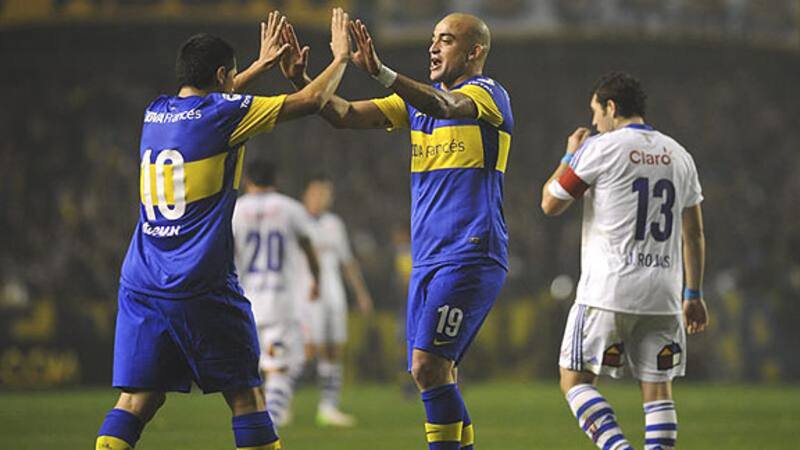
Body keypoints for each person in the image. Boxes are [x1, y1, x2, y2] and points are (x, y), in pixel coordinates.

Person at [94, 9, 353, 450]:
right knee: (248, 396)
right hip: (201, 283)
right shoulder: (224, 116)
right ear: (220, 74)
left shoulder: (154, 113)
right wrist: (342, 58)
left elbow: (214, 105)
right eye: (231, 76)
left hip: (141, 281)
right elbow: (311, 100)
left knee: (137, 399)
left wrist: (254, 67)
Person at [279, 12, 512, 450]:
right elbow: (343, 114)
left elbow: (445, 106)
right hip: (427, 259)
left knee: (427, 367)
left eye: (446, 40)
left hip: (470, 252)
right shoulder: (412, 107)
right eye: (432, 38)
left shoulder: (488, 95)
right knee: (435, 375)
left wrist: (382, 72)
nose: (433, 47)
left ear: (475, 51)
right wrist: (303, 80)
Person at [540, 72, 710, 450]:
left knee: (575, 381)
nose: (595, 122)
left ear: (611, 107)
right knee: (658, 390)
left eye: (596, 112)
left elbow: (551, 203)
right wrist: (693, 293)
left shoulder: (600, 148)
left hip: (607, 290)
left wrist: (570, 154)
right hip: (665, 294)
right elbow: (694, 233)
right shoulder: (679, 155)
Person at [233, 160, 320, 428]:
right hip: (281, 301)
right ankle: (272, 423)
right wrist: (316, 279)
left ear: (247, 181)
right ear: (276, 179)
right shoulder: (291, 208)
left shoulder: (234, 211)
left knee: (250, 370)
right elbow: (308, 248)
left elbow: (224, 254)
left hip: (244, 300)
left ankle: (262, 419)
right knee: (279, 367)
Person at [301, 174, 374, 427]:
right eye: (320, 192)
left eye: (327, 193)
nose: (324, 198)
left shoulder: (334, 223)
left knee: (333, 350)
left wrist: (361, 294)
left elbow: (347, 262)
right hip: (307, 294)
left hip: (334, 294)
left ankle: (328, 407)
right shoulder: (297, 221)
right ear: (308, 194)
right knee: (306, 350)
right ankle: (276, 402)